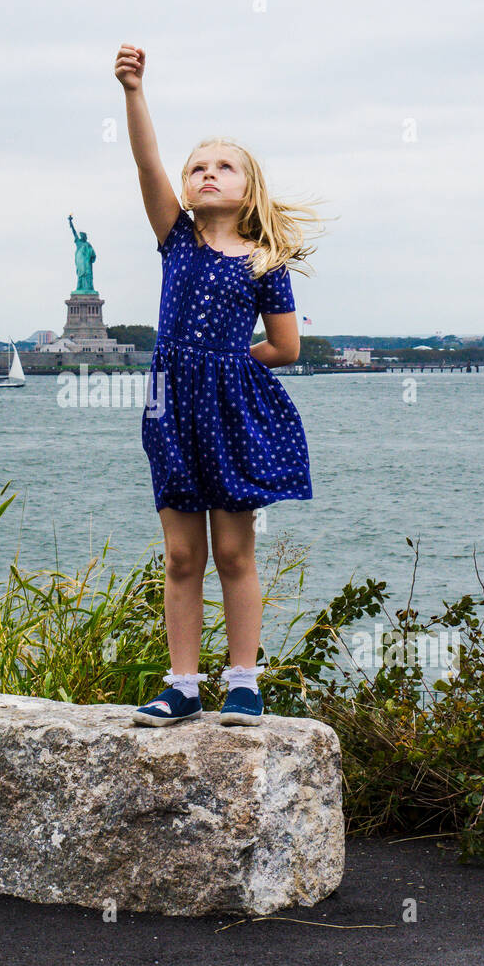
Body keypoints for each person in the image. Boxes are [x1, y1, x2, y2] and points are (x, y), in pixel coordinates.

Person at [113, 41, 325, 728]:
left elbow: (287, 349)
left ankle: (243, 682)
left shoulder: (267, 262)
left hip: (230, 411)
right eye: (197, 167)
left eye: (223, 166)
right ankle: (181, 684)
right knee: (181, 555)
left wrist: (229, 367)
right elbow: (148, 162)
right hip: (171, 407)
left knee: (235, 552)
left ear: (247, 188)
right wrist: (134, 92)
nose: (207, 174)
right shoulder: (176, 239)